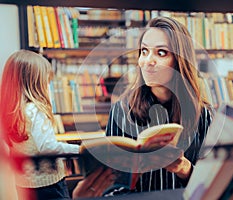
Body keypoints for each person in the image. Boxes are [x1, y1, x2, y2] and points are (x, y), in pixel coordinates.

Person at [104, 16, 213, 193]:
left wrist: (185, 169)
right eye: (144, 51)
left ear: (179, 60)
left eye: (161, 52)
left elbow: (212, 185)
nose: (147, 61)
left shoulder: (204, 115)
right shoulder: (122, 111)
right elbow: (111, 188)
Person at [0, 50, 81, 200]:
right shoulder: (35, 110)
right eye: (46, 81)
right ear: (35, 83)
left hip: (24, 184)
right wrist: (79, 149)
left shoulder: (12, 112)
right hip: (49, 185)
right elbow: (48, 147)